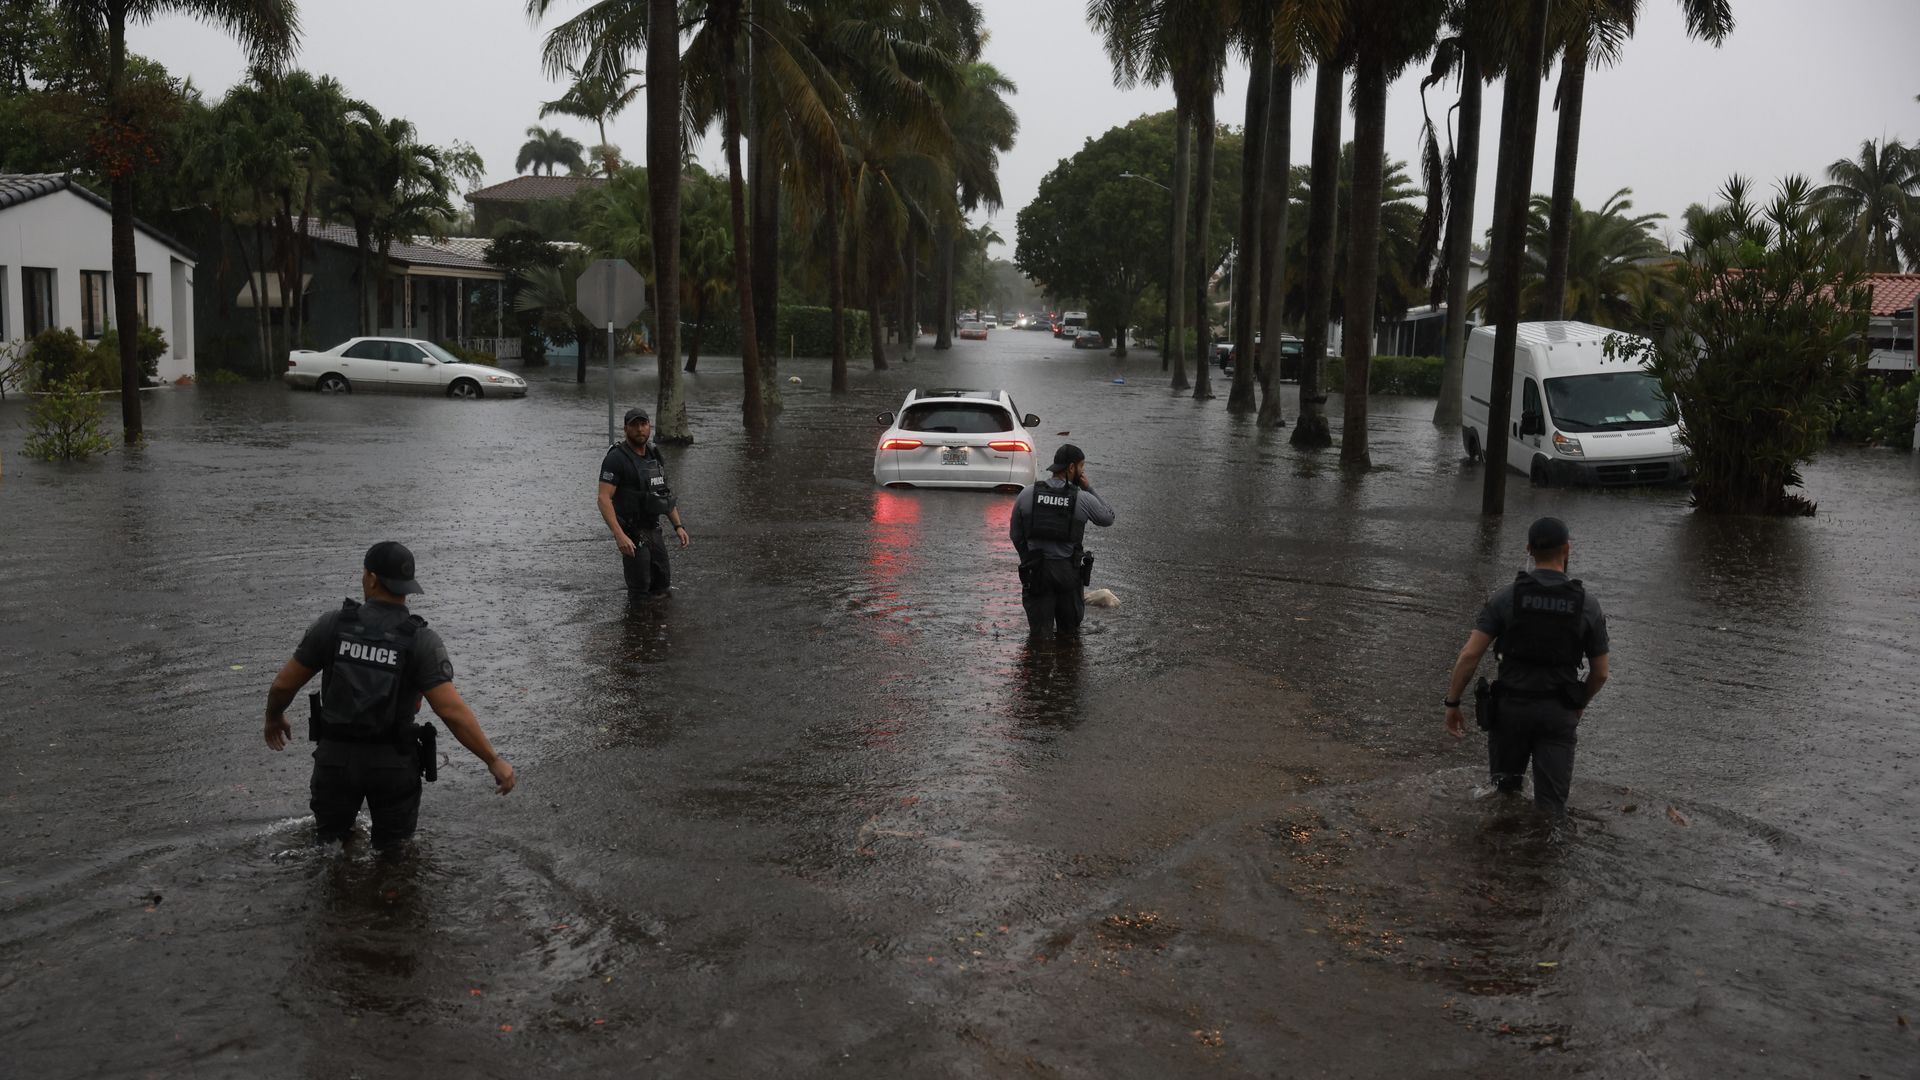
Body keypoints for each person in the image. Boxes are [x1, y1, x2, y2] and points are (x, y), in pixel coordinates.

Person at [263, 542, 514, 849]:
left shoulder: (333, 625)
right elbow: (451, 711)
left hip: (335, 761)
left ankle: (337, 887)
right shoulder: (421, 640)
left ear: (370, 578)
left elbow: (283, 685)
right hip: (393, 764)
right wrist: (493, 759)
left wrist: (274, 716)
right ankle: (392, 891)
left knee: (329, 848)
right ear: (407, 585)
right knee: (396, 855)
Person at [1443, 516, 1610, 815]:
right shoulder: (1587, 605)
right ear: (1567, 549)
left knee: (1503, 797)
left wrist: (1452, 702)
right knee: (1552, 809)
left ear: (1529, 550)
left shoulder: (1506, 598)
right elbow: (1601, 673)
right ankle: (1544, 857)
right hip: (1557, 714)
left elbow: (1470, 655)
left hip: (1510, 713)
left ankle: (1500, 854)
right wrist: (1579, 703)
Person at [1009, 443, 1116, 637]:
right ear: (1072, 468)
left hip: (1037, 572)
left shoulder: (1027, 494)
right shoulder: (1082, 498)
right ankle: (1068, 664)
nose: (1083, 472)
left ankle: (1037, 665)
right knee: (1069, 634)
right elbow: (1108, 518)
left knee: (1039, 636)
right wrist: (1089, 488)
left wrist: (1029, 560)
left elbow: (1016, 535)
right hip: (1068, 574)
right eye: (1082, 467)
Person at [597, 407, 691, 602]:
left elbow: (663, 493)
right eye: (634, 425)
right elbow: (603, 499)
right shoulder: (616, 459)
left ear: (650, 426)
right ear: (625, 429)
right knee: (640, 591)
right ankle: (635, 629)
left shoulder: (654, 454)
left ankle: (658, 629)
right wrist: (619, 535)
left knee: (663, 586)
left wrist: (678, 526)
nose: (640, 429)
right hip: (630, 532)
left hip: (653, 529)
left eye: (643, 424)